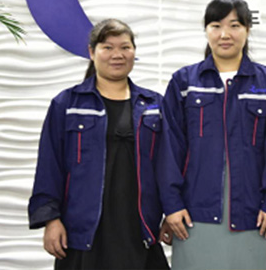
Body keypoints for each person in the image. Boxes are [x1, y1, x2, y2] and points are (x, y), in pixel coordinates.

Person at [159, 0, 266, 270]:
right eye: (216, 26)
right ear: (206, 30)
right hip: (194, 213)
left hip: (254, 213)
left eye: (234, 25)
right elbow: (169, 147)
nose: (224, 34)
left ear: (248, 29)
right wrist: (171, 205)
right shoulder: (184, 82)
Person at [28, 19, 170, 270]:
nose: (117, 55)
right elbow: (50, 167)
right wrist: (51, 219)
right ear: (92, 52)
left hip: (139, 230)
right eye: (107, 47)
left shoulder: (154, 105)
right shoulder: (67, 104)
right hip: (82, 233)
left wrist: (172, 210)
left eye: (125, 47)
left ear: (134, 52)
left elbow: (168, 165)